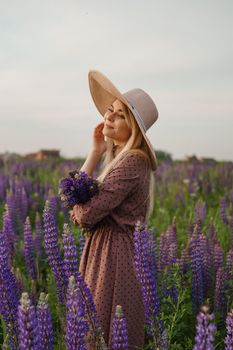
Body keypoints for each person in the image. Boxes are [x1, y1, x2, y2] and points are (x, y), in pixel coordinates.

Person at [71, 69, 159, 349]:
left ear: (133, 126)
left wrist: (80, 209)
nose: (108, 116)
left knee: (107, 334)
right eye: (109, 111)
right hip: (103, 253)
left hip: (115, 259)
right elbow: (75, 202)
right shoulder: (120, 159)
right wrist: (94, 152)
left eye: (119, 114)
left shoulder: (133, 160)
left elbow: (84, 214)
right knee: (95, 333)